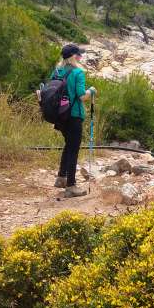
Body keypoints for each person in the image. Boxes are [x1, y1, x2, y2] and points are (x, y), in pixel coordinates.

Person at [54, 43, 96, 198]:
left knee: (68, 145)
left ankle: (61, 177)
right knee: (74, 149)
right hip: (74, 115)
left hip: (60, 115)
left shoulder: (57, 71)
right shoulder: (78, 73)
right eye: (79, 55)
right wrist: (91, 91)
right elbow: (81, 96)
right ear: (73, 56)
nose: (80, 57)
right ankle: (71, 186)